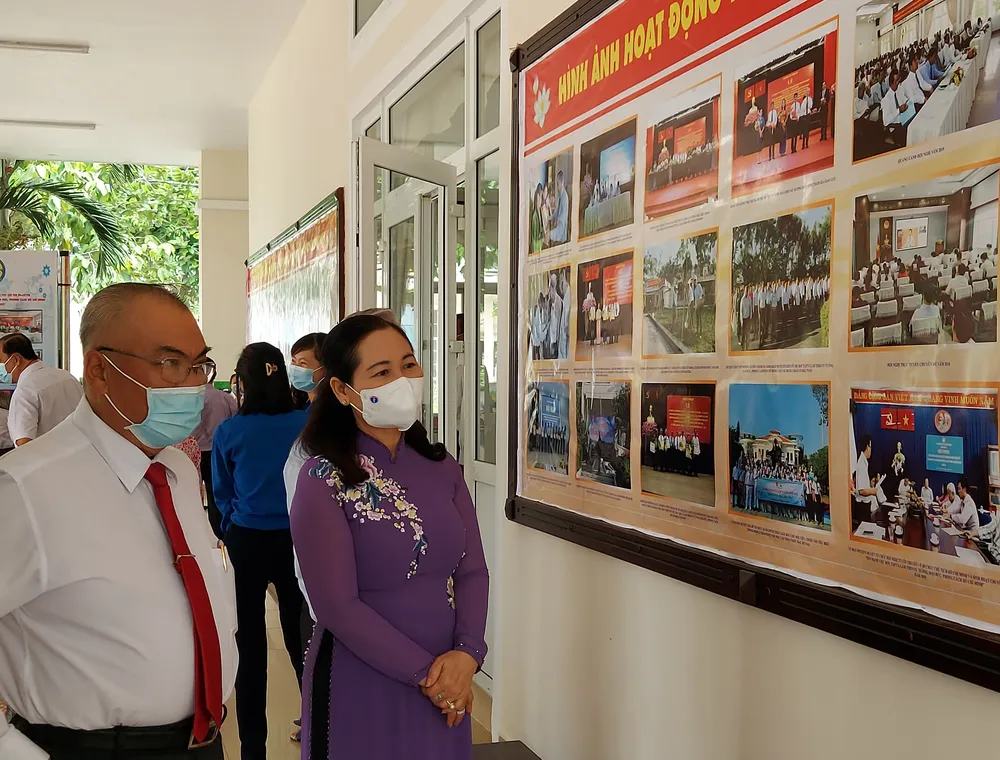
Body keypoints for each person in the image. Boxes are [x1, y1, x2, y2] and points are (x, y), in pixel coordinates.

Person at [0, 283, 237, 759]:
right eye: (170, 364)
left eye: (198, 365)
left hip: (202, 740)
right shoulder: (25, 490)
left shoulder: (178, 472)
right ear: (99, 370)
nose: (192, 384)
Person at [290, 314, 489, 760]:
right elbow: (337, 606)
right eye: (381, 372)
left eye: (409, 365)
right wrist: (430, 676)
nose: (402, 380)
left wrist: (467, 656)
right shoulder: (323, 477)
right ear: (342, 391)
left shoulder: (441, 466)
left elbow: (473, 569)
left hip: (448, 675)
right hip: (361, 677)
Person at [211, 342, 308, 760]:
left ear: (242, 382)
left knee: (248, 646)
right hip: (299, 541)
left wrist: (234, 523)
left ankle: (253, 748)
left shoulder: (230, 432)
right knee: (303, 637)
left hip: (247, 542)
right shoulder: (306, 424)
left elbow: (221, 495)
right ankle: (321, 729)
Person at [0, 333, 83, 447]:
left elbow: (24, 445)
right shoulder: (67, 377)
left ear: (15, 360)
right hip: (81, 456)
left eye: (1, 361)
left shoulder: (25, 390)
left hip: (49, 461)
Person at [194, 384, 239, 539]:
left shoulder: (191, 400)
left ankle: (204, 533)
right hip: (219, 451)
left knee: (195, 494)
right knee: (217, 494)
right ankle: (221, 533)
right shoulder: (225, 398)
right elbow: (236, 420)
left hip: (195, 451)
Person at [290, 332, 328, 410]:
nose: (295, 367)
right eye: (293, 360)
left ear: (324, 369)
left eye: (303, 363)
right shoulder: (301, 402)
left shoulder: (329, 410)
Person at [854, 434, 879, 515]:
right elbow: (862, 491)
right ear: (867, 446)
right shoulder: (861, 463)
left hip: (865, 505)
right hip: (863, 506)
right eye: (870, 446)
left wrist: (870, 486)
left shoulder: (864, 462)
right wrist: (873, 491)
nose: (871, 450)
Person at [550, 170, 570, 245]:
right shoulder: (560, 196)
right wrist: (551, 217)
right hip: (558, 228)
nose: (557, 186)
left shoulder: (564, 197)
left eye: (557, 184)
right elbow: (557, 211)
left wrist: (553, 232)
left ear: (562, 182)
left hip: (561, 232)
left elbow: (562, 218)